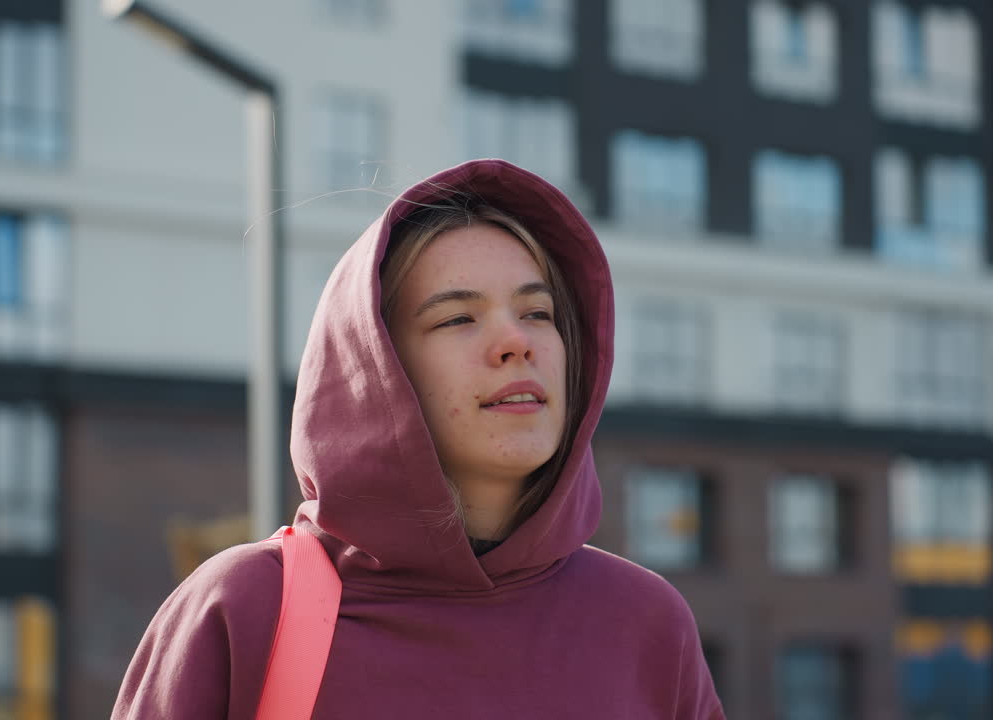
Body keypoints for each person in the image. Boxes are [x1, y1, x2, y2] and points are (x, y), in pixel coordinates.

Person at [111, 159, 725, 719]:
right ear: (377, 368)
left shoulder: (647, 623)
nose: (518, 342)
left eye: (538, 313)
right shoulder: (245, 609)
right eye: (458, 318)